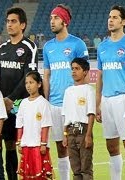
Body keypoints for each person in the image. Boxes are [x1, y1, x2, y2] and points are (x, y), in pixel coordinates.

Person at [42, 4, 88, 180]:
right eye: (51, 18)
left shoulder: (77, 44)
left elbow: (84, 74)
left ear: (65, 21)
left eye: (56, 18)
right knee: (60, 146)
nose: (52, 22)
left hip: (73, 105)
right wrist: (46, 100)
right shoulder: (48, 47)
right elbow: (46, 75)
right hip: (54, 104)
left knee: (76, 147)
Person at [96, 5, 125, 180]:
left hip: (124, 98)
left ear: (123, 22)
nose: (110, 20)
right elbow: (100, 75)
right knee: (111, 146)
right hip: (106, 100)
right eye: (109, 17)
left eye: (115, 17)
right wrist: (98, 102)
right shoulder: (103, 46)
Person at [0, 7, 38, 180]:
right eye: (8, 21)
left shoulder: (29, 47)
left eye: (13, 21)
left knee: (26, 143)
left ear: (22, 25)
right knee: (8, 144)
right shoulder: (2, 48)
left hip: (21, 104)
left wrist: (11, 99)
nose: (9, 25)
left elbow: (28, 77)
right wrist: (1, 100)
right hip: (4, 106)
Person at [62, 58, 95, 179]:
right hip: (71, 131)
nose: (74, 71)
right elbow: (66, 115)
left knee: (85, 168)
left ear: (85, 72)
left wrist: (88, 135)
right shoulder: (68, 91)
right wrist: (65, 134)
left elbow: (91, 113)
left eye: (77, 69)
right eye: (72, 69)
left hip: (83, 130)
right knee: (75, 168)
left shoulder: (89, 90)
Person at [15, 71, 53, 179]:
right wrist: (19, 142)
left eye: (31, 82)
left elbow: (45, 124)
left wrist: (43, 143)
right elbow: (20, 124)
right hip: (26, 144)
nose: (28, 86)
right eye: (26, 83)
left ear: (39, 84)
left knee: (40, 174)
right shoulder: (23, 103)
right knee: (27, 174)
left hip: (38, 146)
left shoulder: (43, 103)